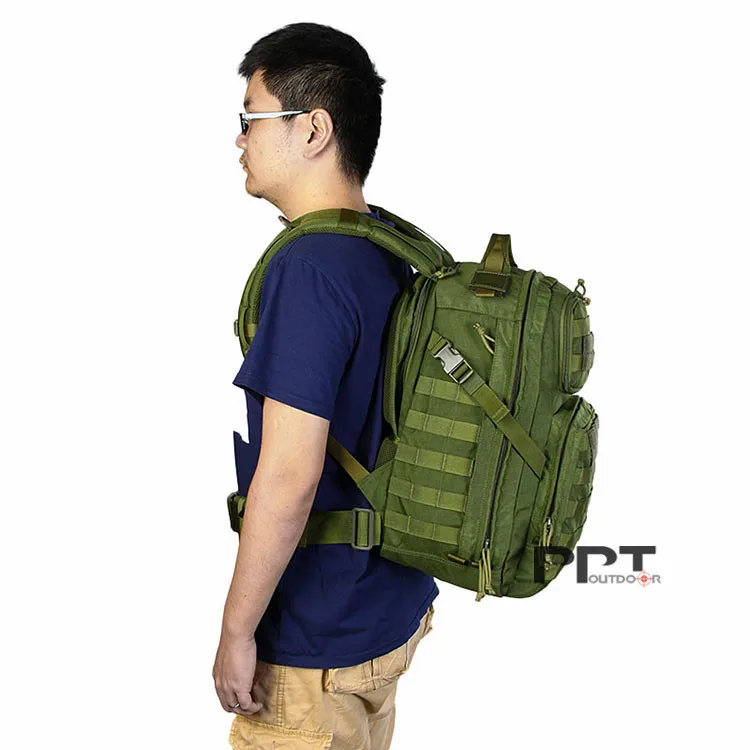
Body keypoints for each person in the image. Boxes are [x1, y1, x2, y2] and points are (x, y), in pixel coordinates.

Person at [212, 22, 439, 750]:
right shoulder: (386, 246)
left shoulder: (307, 270)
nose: (239, 138)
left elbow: (289, 477)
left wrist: (236, 631)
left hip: (315, 651)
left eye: (252, 116)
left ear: (313, 129)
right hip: (386, 615)